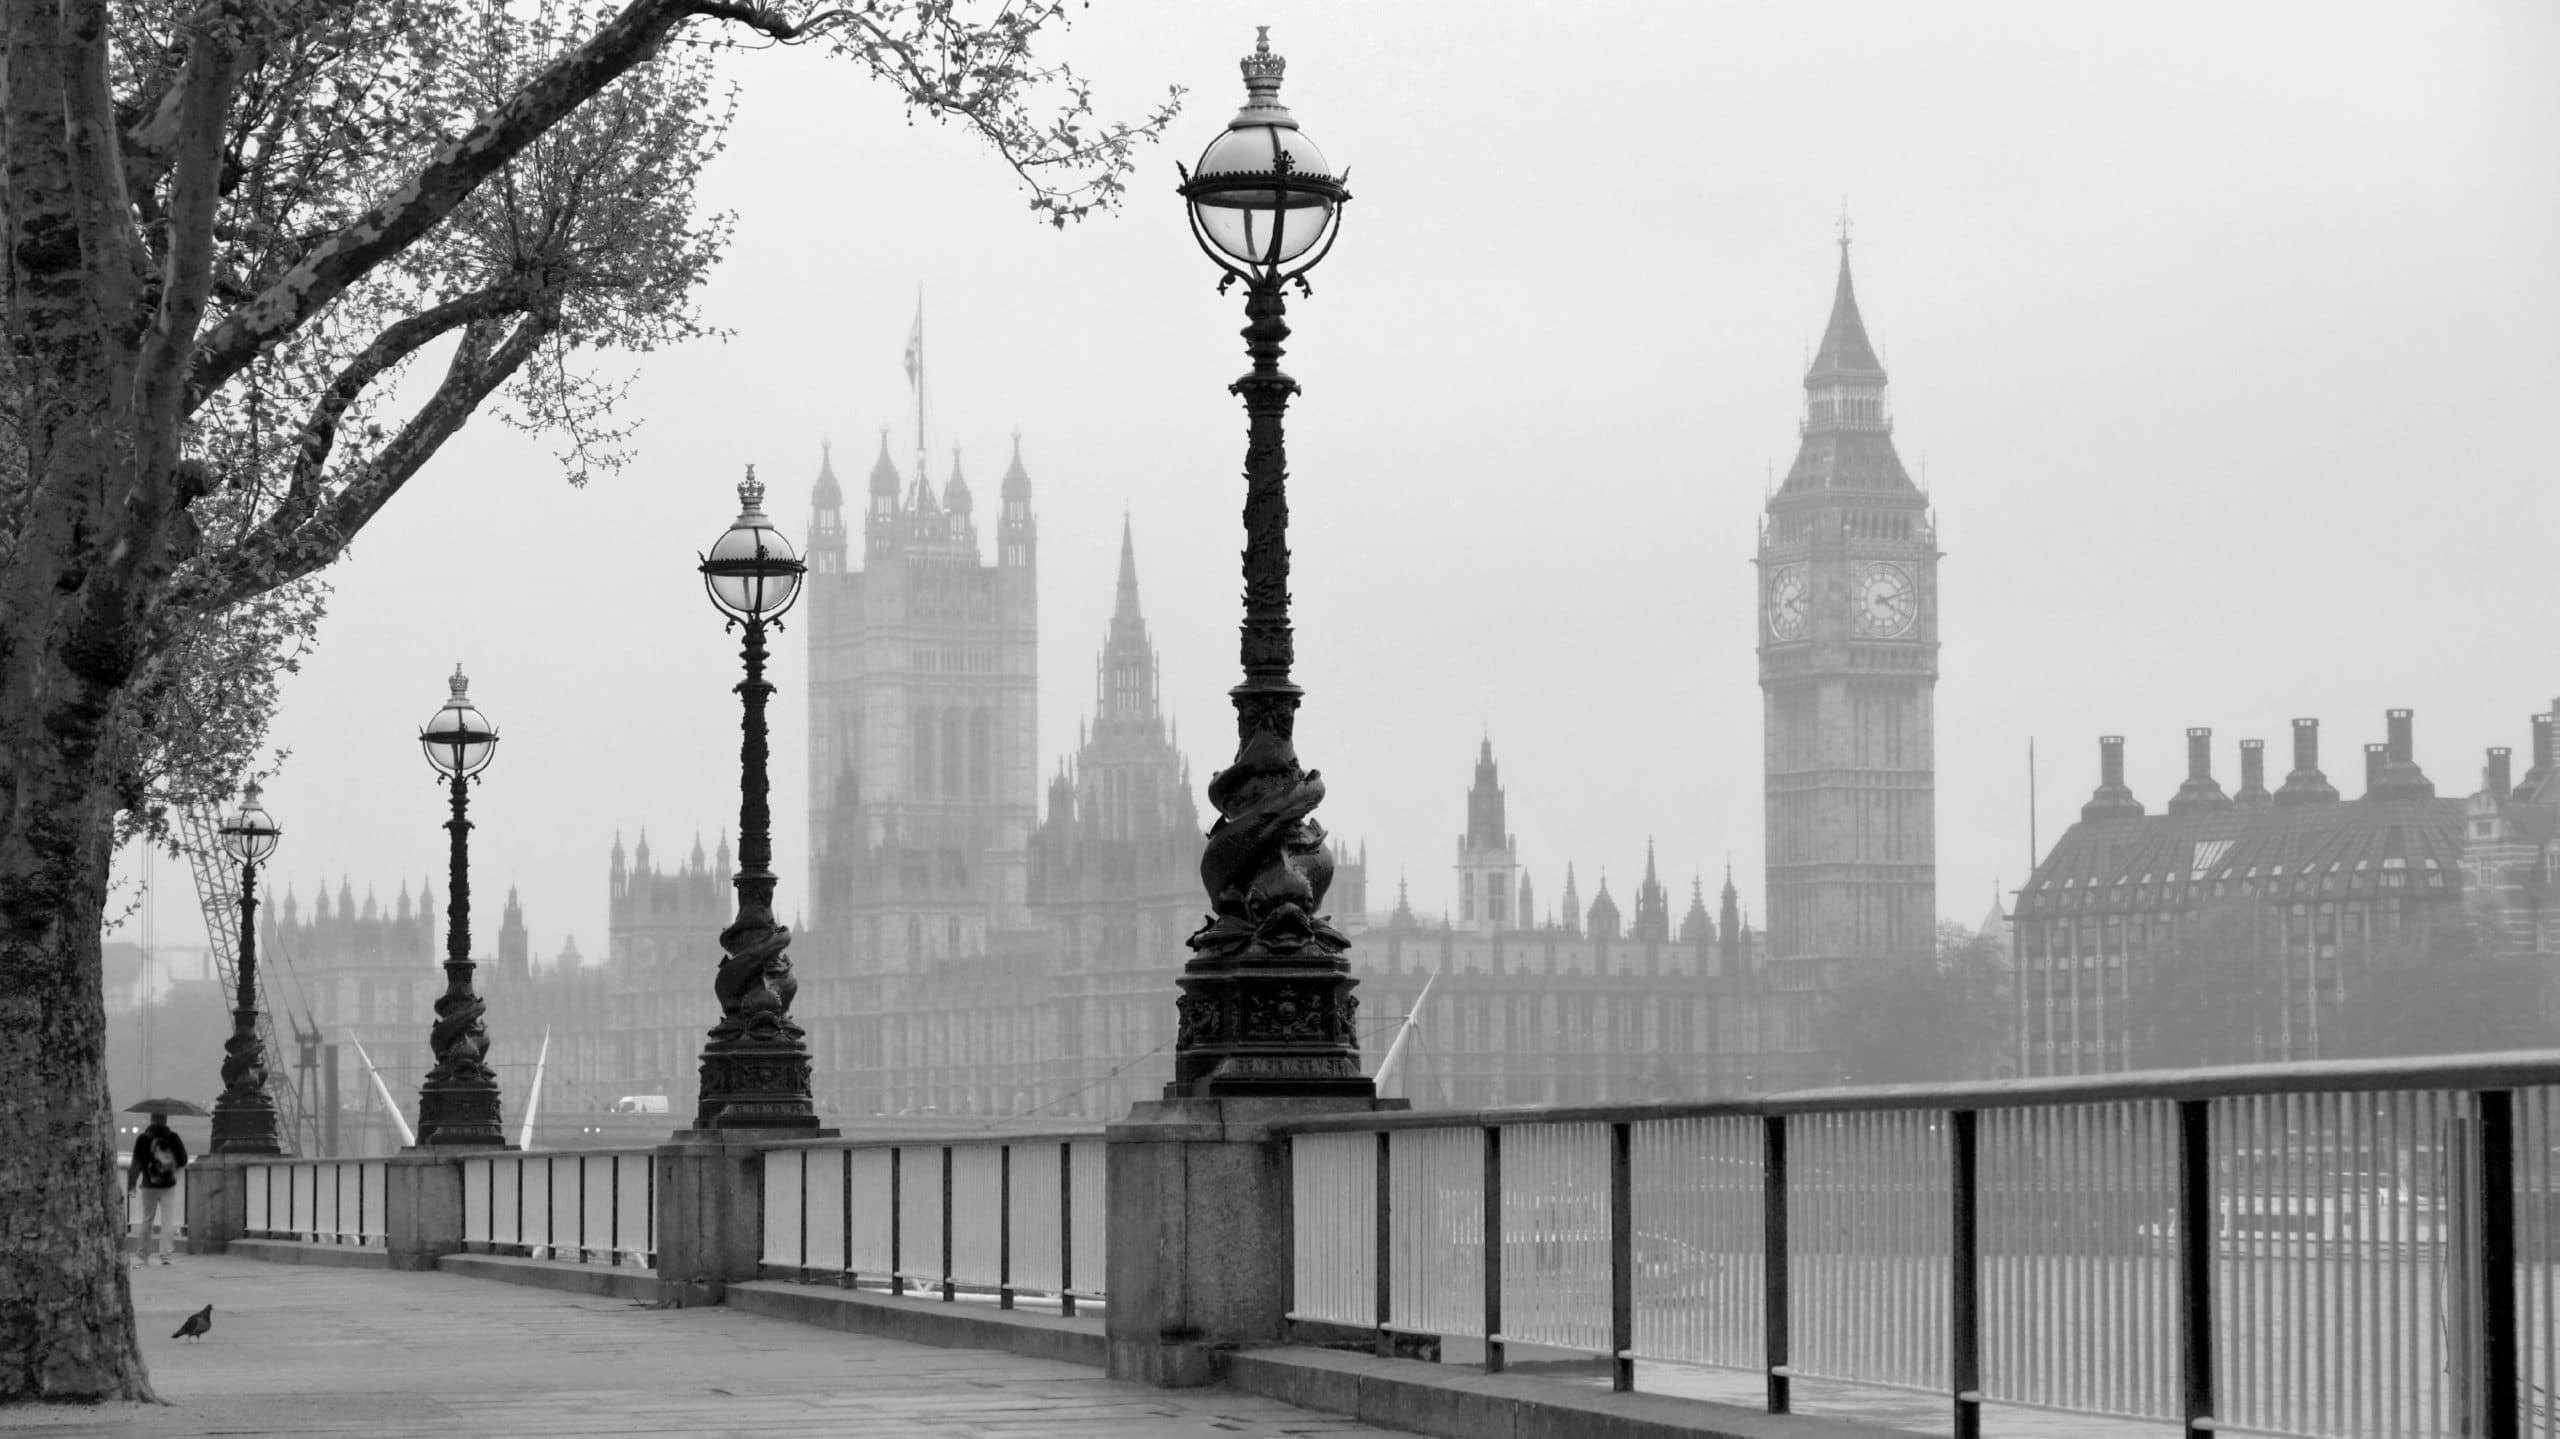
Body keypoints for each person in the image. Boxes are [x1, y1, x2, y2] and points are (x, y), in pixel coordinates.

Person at [125, 1110, 188, 1266]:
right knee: (168, 1219)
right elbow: (183, 1159)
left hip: (148, 1184)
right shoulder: (173, 1137)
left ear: (151, 1120)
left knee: (147, 1219)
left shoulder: (143, 1139)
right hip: (168, 1184)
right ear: (165, 1120)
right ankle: (165, 1255)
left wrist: (131, 1185)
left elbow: (136, 1164)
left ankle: (142, 1255)